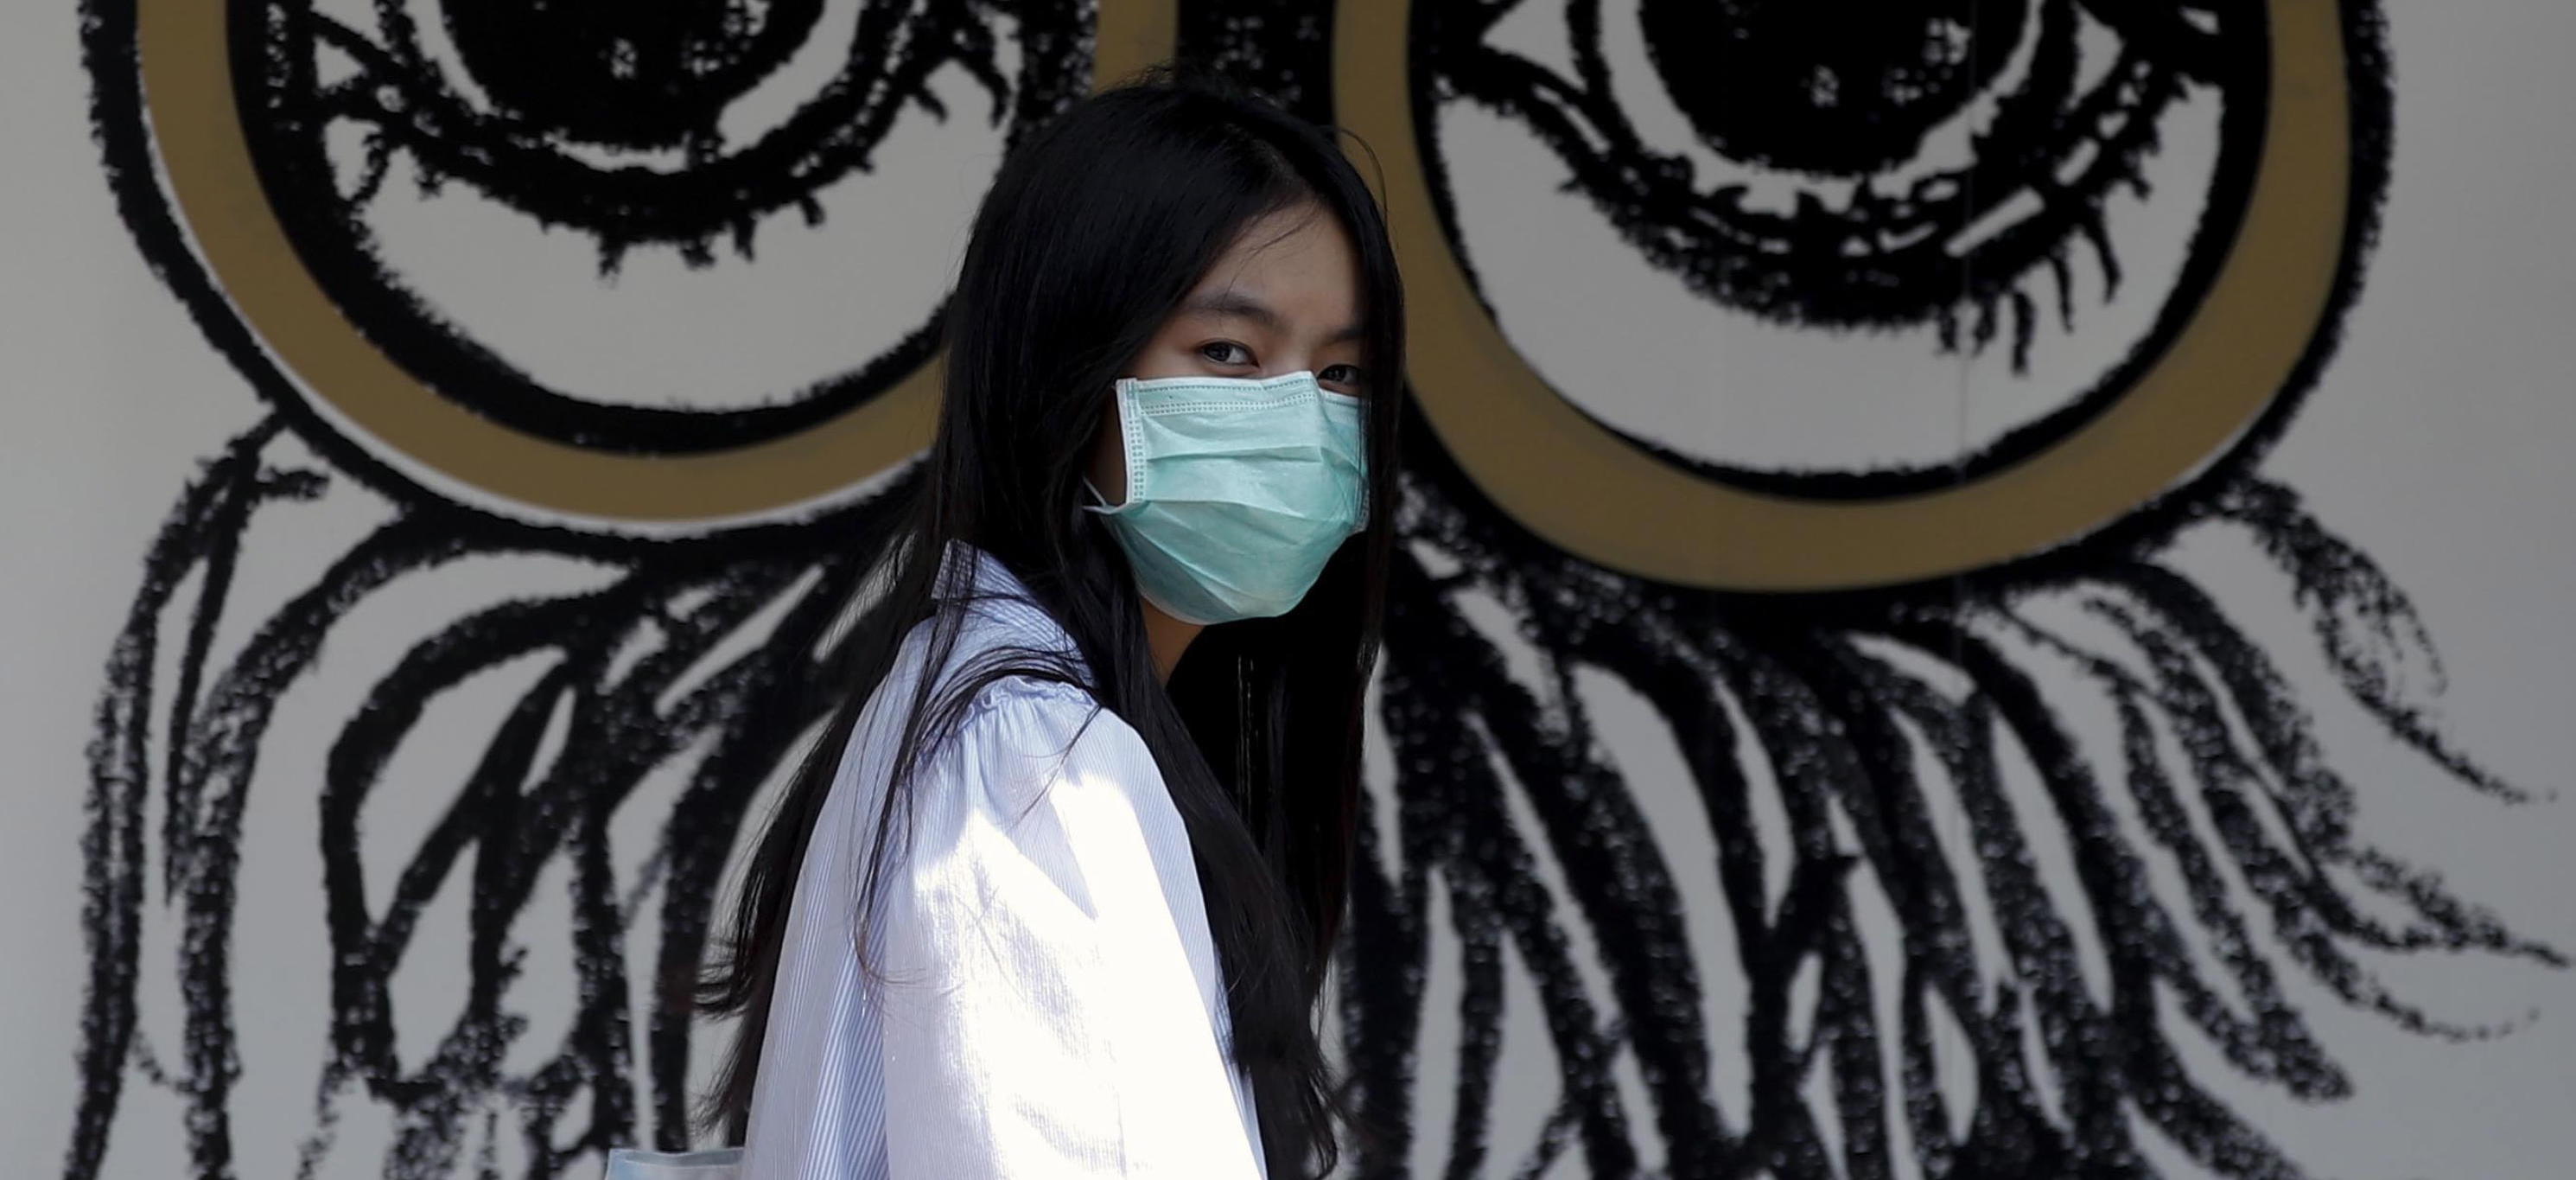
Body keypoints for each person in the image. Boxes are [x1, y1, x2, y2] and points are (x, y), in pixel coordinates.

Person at [607, 72, 1404, 1180]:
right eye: (1227, 353)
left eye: (1340, 373)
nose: (1297, 419)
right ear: (1066, 365)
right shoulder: (1031, 764)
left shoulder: (981, 705)